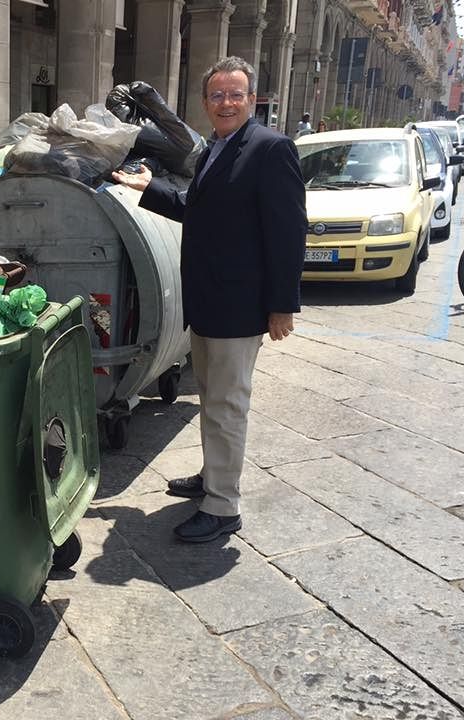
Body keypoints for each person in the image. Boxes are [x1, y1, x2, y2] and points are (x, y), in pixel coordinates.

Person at [112, 56, 306, 543]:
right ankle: (211, 477)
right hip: (207, 301)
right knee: (212, 400)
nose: (226, 103)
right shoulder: (216, 148)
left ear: (252, 99)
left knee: (226, 406)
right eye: (217, 95)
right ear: (205, 102)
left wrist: (282, 305)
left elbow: (288, 232)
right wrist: (149, 188)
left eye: (235, 94)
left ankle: (222, 506)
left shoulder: (270, 148)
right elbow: (198, 210)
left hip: (239, 307)